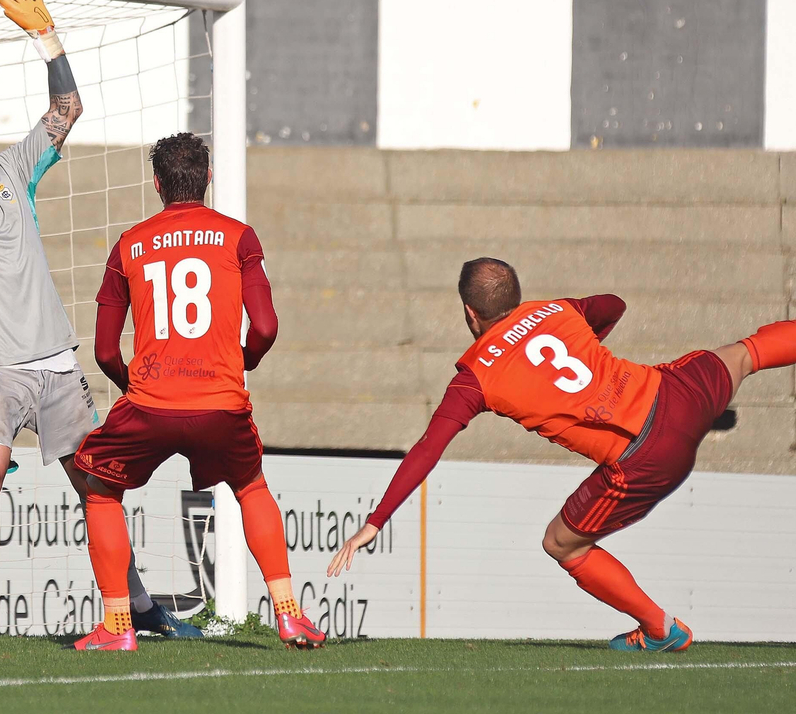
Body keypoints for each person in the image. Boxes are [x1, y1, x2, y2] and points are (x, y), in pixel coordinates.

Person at [0, 0, 198, 641]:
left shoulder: (14, 170)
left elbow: (68, 105)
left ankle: (138, 608)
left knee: (96, 486)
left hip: (57, 363)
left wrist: (46, 37)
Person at [328, 257, 795, 652]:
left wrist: (375, 521)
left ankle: (659, 629)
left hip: (644, 454)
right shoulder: (553, 310)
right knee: (744, 354)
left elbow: (429, 448)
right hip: (675, 395)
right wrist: (589, 340)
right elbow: (615, 305)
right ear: (516, 295)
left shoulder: (475, 376)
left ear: (471, 315)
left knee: (561, 543)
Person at [71, 133, 326, 651]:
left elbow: (102, 350)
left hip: (150, 400)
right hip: (221, 401)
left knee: (99, 488)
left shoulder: (129, 244)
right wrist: (241, 362)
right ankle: (290, 615)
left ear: (158, 183)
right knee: (251, 486)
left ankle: (118, 627)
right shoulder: (238, 237)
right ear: (208, 178)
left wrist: (134, 385)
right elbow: (267, 327)